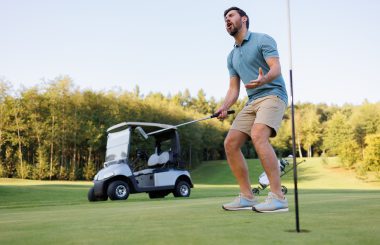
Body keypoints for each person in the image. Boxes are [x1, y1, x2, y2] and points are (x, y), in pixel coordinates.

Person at [217, 7, 288, 213]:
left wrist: (264, 78)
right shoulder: (231, 56)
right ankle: (247, 197)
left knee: (258, 135)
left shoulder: (262, 39)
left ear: (244, 19)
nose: (227, 21)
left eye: (230, 16)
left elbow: (276, 68)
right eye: (225, 19)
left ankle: (278, 197)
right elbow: (233, 89)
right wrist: (224, 107)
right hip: (252, 101)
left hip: (274, 94)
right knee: (230, 143)